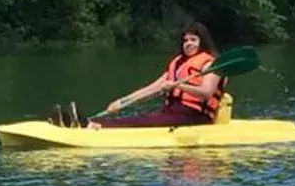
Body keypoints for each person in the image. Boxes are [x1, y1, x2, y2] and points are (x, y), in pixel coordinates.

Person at [87, 23, 226, 130]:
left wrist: (179, 85)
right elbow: (151, 89)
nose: (188, 44)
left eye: (193, 40)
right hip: (172, 113)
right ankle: (92, 123)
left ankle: (97, 126)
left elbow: (207, 93)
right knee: (142, 118)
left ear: (202, 42)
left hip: (195, 116)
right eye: (185, 40)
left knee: (142, 121)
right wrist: (122, 101)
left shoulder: (210, 64)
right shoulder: (177, 64)